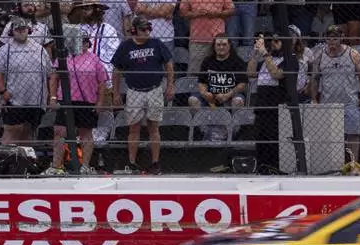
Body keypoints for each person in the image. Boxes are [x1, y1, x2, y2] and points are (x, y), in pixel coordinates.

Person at [111, 15, 174, 173]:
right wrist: (116, 92)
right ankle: (131, 162)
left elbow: (169, 64)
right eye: (143, 29)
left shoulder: (156, 43)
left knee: (154, 127)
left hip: (154, 89)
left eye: (149, 29)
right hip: (134, 91)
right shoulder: (125, 46)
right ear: (134, 30)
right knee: (134, 128)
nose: (147, 32)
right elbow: (116, 69)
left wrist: (170, 85)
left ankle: (155, 162)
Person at [44, 27, 110, 175]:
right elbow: (54, 78)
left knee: (86, 133)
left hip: (87, 100)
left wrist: (100, 102)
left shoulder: (95, 60)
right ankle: (56, 166)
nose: (85, 44)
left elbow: (102, 82)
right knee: (60, 131)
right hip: (65, 99)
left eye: (87, 41)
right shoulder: (64, 58)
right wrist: (53, 97)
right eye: (82, 41)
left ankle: (85, 166)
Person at [310, 24, 360, 167]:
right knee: (329, 137)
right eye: (329, 39)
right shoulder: (320, 55)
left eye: (335, 38)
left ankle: (353, 164)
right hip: (327, 103)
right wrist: (314, 98)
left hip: (349, 101)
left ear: (341, 38)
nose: (332, 42)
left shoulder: (352, 54)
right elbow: (315, 79)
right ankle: (330, 165)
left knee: (353, 134)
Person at [0, 16, 52, 145]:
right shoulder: (5, 50)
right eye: (18, 29)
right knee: (13, 129)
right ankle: (4, 160)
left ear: (28, 30)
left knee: (28, 130)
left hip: (36, 98)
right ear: (11, 32)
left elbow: (49, 74)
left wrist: (50, 95)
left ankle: (24, 161)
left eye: (23, 29)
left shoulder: (39, 49)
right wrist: (3, 92)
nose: (21, 31)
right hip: (13, 98)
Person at [247, 31, 288, 174]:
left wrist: (265, 54)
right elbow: (250, 73)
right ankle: (261, 167)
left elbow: (276, 74)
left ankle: (275, 168)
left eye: (277, 41)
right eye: (272, 41)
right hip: (261, 102)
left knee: (273, 137)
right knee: (260, 137)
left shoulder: (287, 59)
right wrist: (255, 53)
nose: (273, 44)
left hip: (275, 102)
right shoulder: (264, 60)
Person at [189, 34, 247, 110]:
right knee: (193, 100)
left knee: (237, 101)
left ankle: (234, 122)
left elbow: (243, 84)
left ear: (229, 45)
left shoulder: (237, 61)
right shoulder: (207, 61)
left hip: (231, 95)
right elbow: (201, 82)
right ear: (214, 46)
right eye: (218, 45)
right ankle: (201, 121)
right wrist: (205, 94)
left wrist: (227, 95)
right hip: (211, 96)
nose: (221, 47)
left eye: (224, 44)